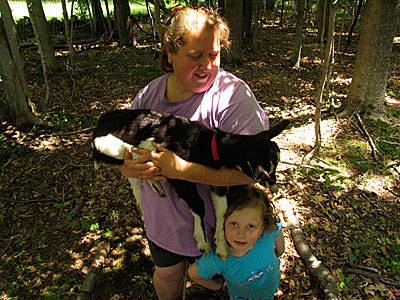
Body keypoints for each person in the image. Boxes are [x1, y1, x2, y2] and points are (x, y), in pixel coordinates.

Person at [118, 6, 270, 300]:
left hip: (226, 226)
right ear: (170, 54)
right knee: (167, 274)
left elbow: (252, 170)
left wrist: (182, 170)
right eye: (194, 56)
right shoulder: (148, 96)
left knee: (223, 274)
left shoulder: (232, 97)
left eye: (213, 55)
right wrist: (128, 167)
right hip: (165, 223)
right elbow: (126, 150)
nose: (207, 65)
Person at [188, 185, 285, 300]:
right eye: (234, 224)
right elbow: (194, 274)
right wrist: (216, 287)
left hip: (269, 291)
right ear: (222, 223)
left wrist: (280, 249)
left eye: (250, 226)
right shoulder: (219, 258)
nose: (241, 234)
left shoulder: (267, 233)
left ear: (262, 227)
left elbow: (277, 229)